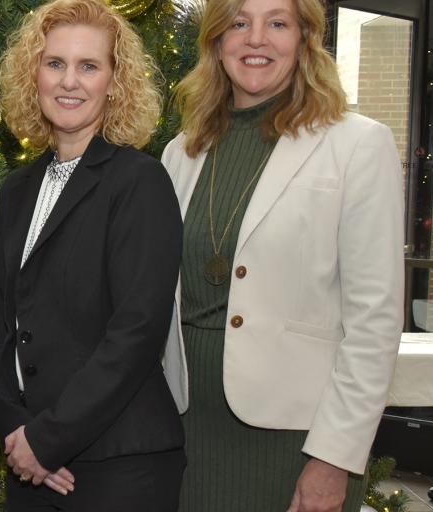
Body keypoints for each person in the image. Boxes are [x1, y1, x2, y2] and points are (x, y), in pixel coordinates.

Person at [161, 0, 404, 510]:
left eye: (277, 23)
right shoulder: (180, 152)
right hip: (183, 429)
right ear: (216, 42)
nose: (256, 39)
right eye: (239, 24)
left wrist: (333, 458)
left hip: (297, 441)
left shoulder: (357, 145)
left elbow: (374, 322)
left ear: (304, 39)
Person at [0, 0, 186, 509]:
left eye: (88, 66)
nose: (69, 81)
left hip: (119, 466)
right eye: (55, 63)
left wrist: (48, 440)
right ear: (35, 75)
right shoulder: (18, 189)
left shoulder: (139, 182)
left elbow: (136, 332)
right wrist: (18, 433)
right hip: (30, 464)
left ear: (114, 82)